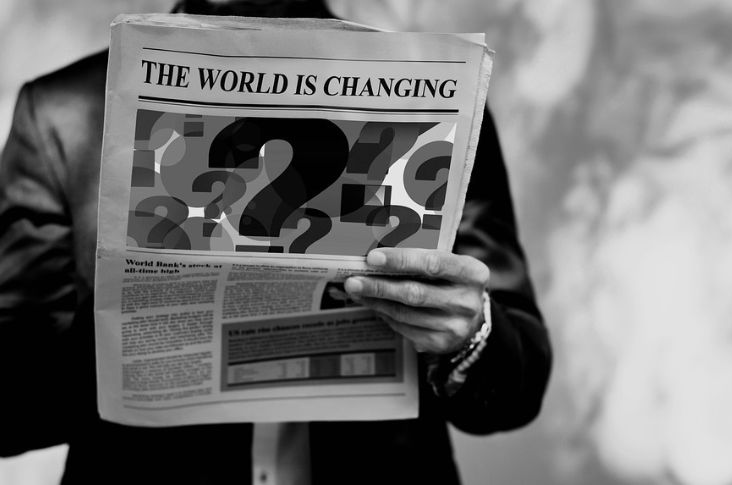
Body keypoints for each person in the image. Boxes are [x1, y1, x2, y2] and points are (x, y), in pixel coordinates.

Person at [0, 1, 551, 483]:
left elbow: (517, 389)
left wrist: (469, 334)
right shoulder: (62, 117)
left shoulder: (438, 103)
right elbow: (14, 407)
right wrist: (124, 322)